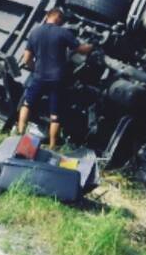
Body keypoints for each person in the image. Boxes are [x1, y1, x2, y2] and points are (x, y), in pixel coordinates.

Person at [16, 8, 93, 149]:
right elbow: (81, 49)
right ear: (58, 18)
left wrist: (35, 69)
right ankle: (52, 146)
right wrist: (92, 46)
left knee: (27, 104)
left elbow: (26, 58)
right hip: (57, 80)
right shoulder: (63, 33)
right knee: (55, 115)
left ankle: (20, 133)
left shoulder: (35, 32)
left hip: (39, 76)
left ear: (47, 16)